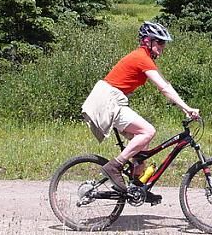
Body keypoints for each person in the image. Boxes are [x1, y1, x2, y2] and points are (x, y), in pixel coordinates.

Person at [82, 21, 200, 192]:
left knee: (142, 149)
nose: (162, 46)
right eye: (159, 42)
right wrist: (188, 108)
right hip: (109, 100)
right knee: (148, 131)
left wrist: (184, 108)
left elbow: (166, 85)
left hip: (113, 99)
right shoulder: (141, 57)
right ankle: (114, 166)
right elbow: (164, 87)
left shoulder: (144, 58)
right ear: (147, 41)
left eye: (163, 43)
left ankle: (137, 188)